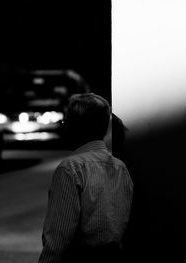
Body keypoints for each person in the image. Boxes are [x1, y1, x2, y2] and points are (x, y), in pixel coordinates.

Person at [38, 93, 133, 263]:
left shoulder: (71, 168)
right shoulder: (120, 167)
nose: (64, 126)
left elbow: (59, 236)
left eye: (65, 122)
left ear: (75, 127)